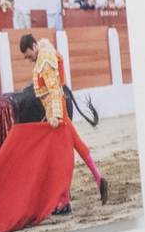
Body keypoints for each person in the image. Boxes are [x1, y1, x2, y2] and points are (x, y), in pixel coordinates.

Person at [20, 34, 108, 213]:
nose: (29, 59)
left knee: (59, 156)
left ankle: (65, 202)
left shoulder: (44, 59)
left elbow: (53, 89)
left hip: (56, 112)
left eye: (29, 55)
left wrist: (56, 117)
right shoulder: (45, 53)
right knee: (76, 144)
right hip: (56, 109)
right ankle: (99, 180)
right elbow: (59, 63)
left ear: (34, 46)